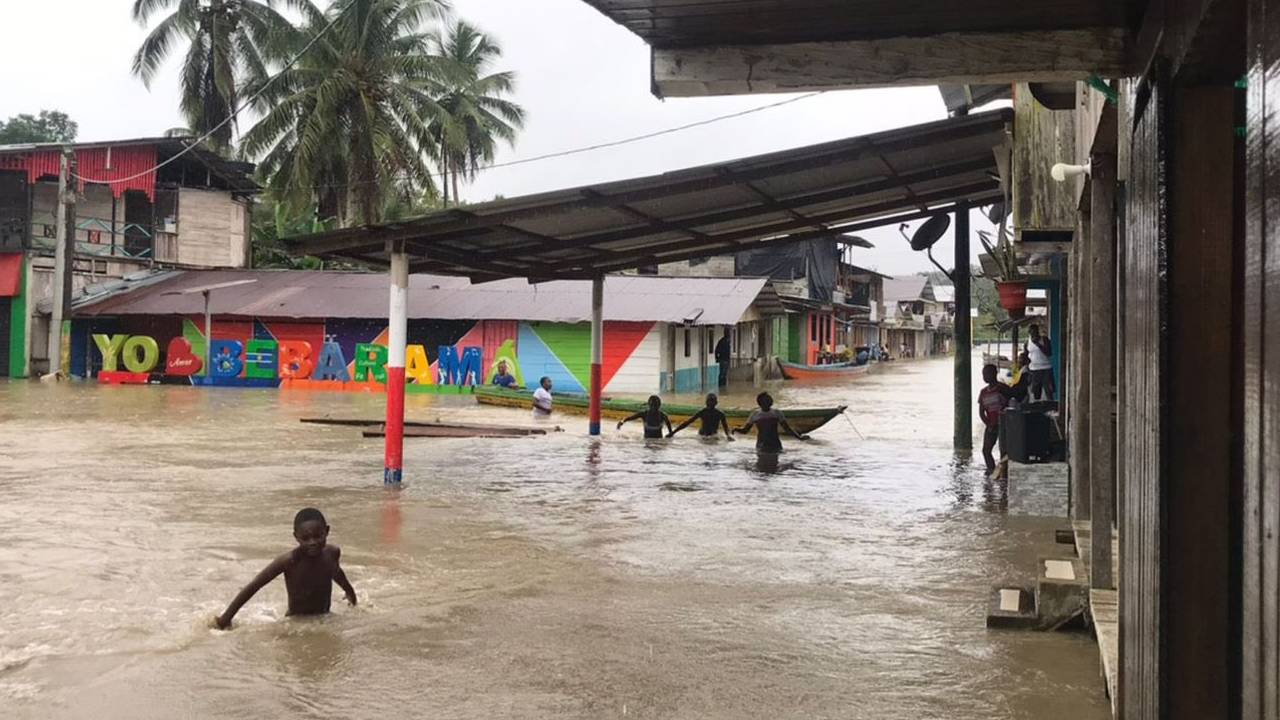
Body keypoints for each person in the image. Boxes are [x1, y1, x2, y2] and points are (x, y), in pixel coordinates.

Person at [213, 508, 356, 630]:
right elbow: (255, 586)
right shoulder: (289, 561)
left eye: (318, 536)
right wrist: (226, 618)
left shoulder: (332, 553)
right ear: (296, 537)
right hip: (296, 624)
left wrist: (351, 594)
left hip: (325, 618)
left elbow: (336, 572)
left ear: (327, 531)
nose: (312, 542)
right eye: (305, 538)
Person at [734, 392, 809, 453]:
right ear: (761, 403)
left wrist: (799, 437)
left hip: (775, 445)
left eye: (770, 398)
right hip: (761, 446)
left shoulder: (777, 413)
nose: (770, 400)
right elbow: (745, 430)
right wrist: (736, 429)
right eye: (767, 399)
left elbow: (787, 429)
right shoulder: (755, 414)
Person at [978, 364, 1011, 476]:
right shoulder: (983, 392)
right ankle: (991, 471)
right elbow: (981, 411)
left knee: (1005, 451)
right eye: (983, 374)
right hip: (991, 425)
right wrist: (988, 424)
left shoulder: (1002, 388)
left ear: (994, 374)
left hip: (1004, 424)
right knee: (986, 450)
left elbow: (1012, 403)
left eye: (987, 374)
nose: (985, 377)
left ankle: (1004, 473)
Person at [668, 393, 735, 440]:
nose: (710, 403)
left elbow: (726, 428)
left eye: (712, 401)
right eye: (709, 401)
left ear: (716, 403)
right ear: (706, 402)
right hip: (702, 436)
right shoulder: (702, 412)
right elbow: (687, 422)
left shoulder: (720, 414)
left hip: (713, 436)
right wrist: (673, 432)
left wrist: (728, 436)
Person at [1025, 323, 1056, 401]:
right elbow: (1026, 356)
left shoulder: (1044, 339)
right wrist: (1027, 367)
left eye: (1035, 332)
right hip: (1034, 370)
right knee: (1035, 392)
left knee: (1049, 390)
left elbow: (1049, 353)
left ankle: (1051, 407)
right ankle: (1036, 409)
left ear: (1038, 332)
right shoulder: (1027, 343)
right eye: (1031, 332)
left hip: (1046, 368)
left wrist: (1038, 344)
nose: (1033, 334)